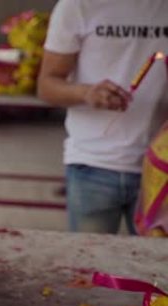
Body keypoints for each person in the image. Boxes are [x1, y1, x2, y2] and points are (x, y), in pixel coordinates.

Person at [37, 0, 168, 234]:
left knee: (155, 267)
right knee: (90, 263)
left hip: (160, 168)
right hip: (92, 165)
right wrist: (87, 93)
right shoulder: (77, 6)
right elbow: (47, 85)